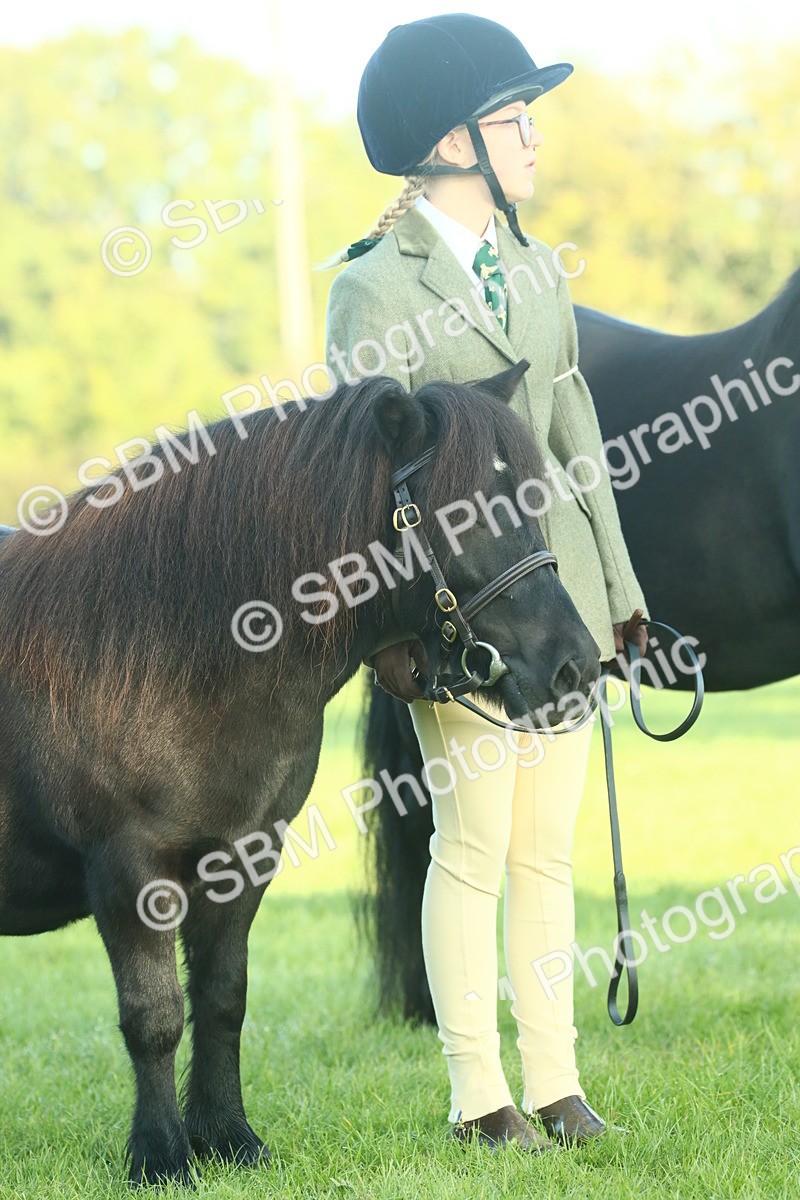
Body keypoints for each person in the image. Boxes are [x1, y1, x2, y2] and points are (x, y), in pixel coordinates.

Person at [324, 14, 648, 1152]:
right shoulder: (372, 291)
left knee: (543, 852)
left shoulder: (535, 269)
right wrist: (391, 633)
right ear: (449, 140)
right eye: (515, 120)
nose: (533, 140)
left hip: (553, 608)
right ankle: (478, 1097)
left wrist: (618, 596)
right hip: (462, 616)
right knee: (469, 848)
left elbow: (578, 444)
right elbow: (365, 479)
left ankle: (555, 1082)